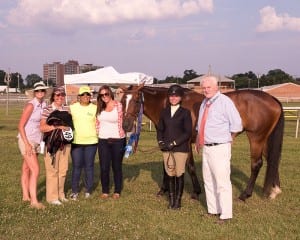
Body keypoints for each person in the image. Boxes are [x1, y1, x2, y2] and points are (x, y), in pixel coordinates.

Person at [196, 75, 243, 224]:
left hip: (220, 147)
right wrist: (199, 139)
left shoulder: (225, 102)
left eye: (208, 87)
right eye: (203, 88)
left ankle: (226, 214)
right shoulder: (205, 102)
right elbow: (200, 124)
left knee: (222, 182)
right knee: (208, 180)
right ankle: (213, 210)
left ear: (217, 87)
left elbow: (237, 125)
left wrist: (227, 139)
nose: (205, 90)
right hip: (207, 147)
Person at [157, 84, 192, 209]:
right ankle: (171, 199)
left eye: (176, 96)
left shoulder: (185, 113)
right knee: (170, 173)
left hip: (180, 149)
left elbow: (187, 132)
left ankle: (178, 200)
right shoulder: (164, 112)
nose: (173, 98)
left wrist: (174, 143)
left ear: (180, 98)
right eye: (171, 96)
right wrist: (161, 142)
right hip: (166, 148)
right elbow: (160, 129)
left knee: (179, 173)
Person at [17, 81, 50, 209]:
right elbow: (20, 126)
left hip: (37, 140)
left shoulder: (44, 105)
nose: (40, 93)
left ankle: (26, 196)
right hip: (27, 140)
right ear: (34, 93)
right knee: (36, 169)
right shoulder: (31, 105)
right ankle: (34, 201)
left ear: (45, 92)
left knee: (26, 168)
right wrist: (27, 144)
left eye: (42, 90)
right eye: (38, 91)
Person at [40, 86, 72, 205]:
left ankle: (61, 194)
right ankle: (52, 197)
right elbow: (42, 127)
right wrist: (57, 127)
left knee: (63, 170)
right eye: (57, 95)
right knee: (52, 170)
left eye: (62, 95)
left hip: (65, 144)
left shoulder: (67, 109)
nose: (60, 97)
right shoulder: (47, 109)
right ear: (53, 96)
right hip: (51, 144)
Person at [96, 85, 126, 199]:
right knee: (104, 167)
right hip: (103, 140)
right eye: (102, 95)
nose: (104, 96)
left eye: (106, 94)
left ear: (110, 93)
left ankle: (117, 191)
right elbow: (97, 123)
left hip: (118, 140)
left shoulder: (119, 106)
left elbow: (125, 120)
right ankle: (105, 191)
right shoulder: (99, 107)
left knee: (116, 166)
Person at [69, 86, 98, 200]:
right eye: (83, 95)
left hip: (91, 141)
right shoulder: (72, 107)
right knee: (77, 166)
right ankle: (75, 191)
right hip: (77, 142)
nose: (85, 96)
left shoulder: (95, 108)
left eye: (87, 94)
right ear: (79, 97)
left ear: (90, 96)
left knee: (89, 166)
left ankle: (88, 190)